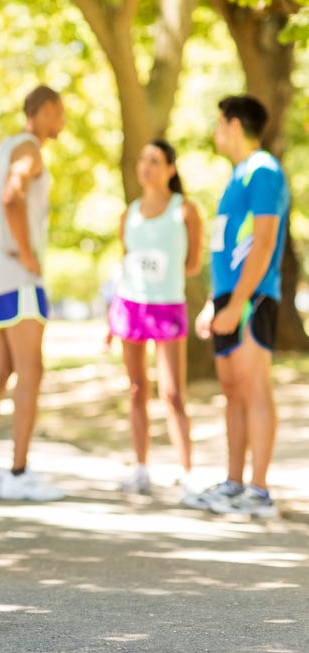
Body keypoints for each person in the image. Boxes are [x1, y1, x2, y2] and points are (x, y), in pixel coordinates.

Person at [0, 85, 66, 501]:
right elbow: (11, 197)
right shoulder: (29, 150)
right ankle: (19, 473)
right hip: (20, 278)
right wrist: (25, 252)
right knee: (30, 370)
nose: (64, 122)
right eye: (61, 113)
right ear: (48, 110)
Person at [188, 95, 290, 518]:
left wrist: (242, 300)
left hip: (255, 295)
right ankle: (233, 484)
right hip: (228, 297)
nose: (215, 132)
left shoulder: (263, 170)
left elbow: (264, 243)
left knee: (253, 387)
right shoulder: (237, 176)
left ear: (233, 124)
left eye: (218, 123)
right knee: (232, 392)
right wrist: (215, 304)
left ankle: (259, 492)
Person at [106, 139, 202, 495]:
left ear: (170, 169)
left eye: (155, 160)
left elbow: (193, 264)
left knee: (173, 393)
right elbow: (125, 263)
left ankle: (187, 472)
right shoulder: (127, 214)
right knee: (135, 389)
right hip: (130, 306)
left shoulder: (185, 210)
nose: (146, 166)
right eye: (142, 159)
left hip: (168, 307)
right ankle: (141, 468)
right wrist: (110, 314)